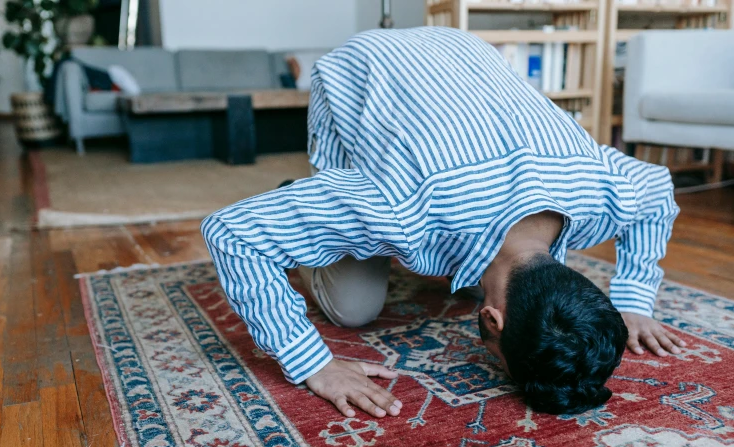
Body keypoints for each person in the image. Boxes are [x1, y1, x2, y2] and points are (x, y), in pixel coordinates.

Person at [201, 27, 682, 418]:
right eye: (499, 357)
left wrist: (634, 301)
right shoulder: (404, 210)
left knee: (464, 273)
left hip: (464, 51)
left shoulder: (603, 195)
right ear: (491, 320)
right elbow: (231, 232)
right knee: (354, 308)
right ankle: (300, 202)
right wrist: (315, 365)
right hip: (367, 64)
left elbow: (659, 190)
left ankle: (317, 213)